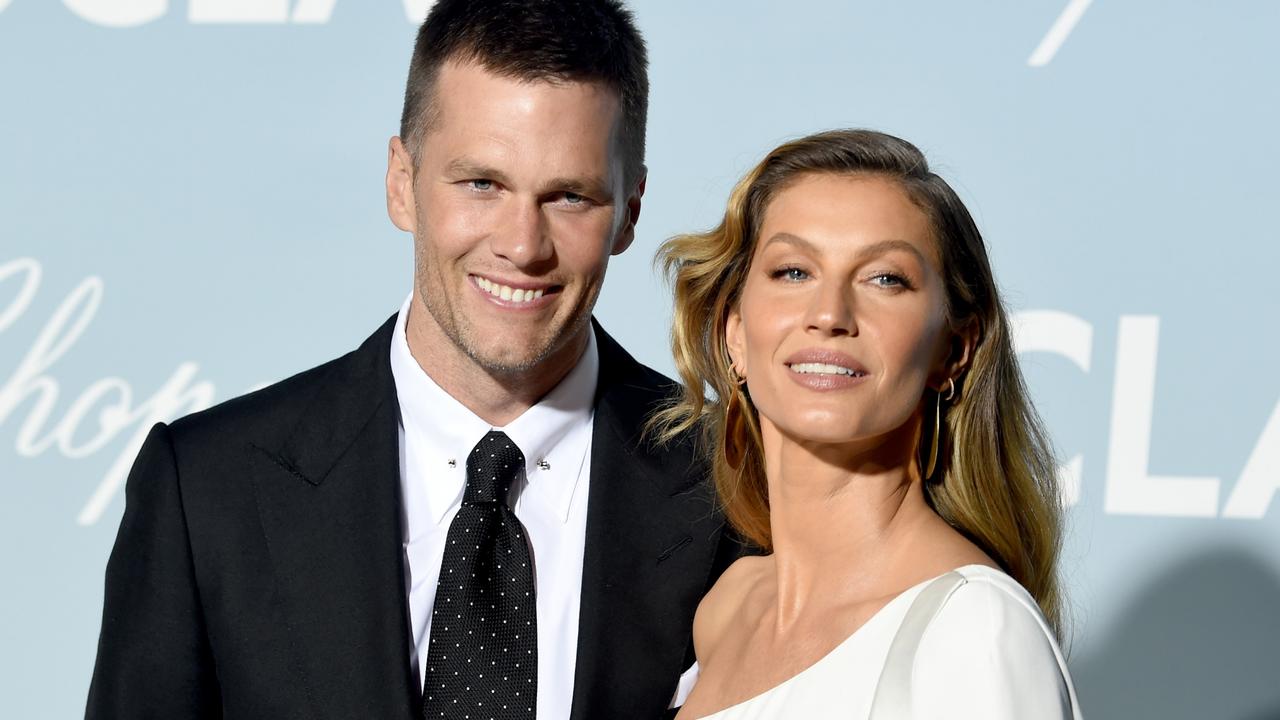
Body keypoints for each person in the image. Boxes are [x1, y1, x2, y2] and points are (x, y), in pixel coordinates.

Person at [85, 2, 738, 718]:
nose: (523, 245)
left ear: (630, 211)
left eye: (569, 196)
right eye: (482, 184)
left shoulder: (735, 483)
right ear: (402, 182)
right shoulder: (208, 488)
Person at [656, 129, 1083, 719]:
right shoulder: (729, 608)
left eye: (885, 279)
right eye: (793, 272)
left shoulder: (974, 628)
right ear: (734, 334)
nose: (829, 314)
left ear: (953, 350)